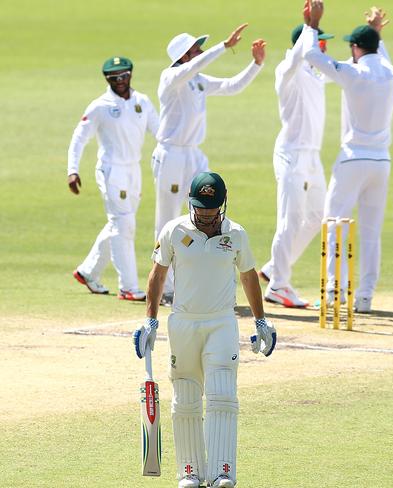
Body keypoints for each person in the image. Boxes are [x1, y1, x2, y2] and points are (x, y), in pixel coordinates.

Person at [133, 172, 277, 488]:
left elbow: (249, 277)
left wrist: (260, 320)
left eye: (212, 213)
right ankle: (190, 471)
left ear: (222, 206)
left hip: (222, 322)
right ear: (192, 205)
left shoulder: (236, 234)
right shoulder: (173, 231)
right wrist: (150, 320)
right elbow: (157, 276)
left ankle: (222, 471)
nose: (207, 219)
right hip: (183, 324)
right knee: (185, 397)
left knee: (223, 394)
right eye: (201, 211)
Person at [153, 25, 266, 305]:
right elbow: (192, 68)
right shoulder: (171, 76)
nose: (200, 52)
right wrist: (224, 47)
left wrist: (256, 64)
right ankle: (164, 289)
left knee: (201, 214)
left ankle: (195, 283)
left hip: (194, 155)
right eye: (195, 49)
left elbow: (231, 86)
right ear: (183, 55)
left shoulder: (197, 79)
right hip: (171, 154)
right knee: (167, 220)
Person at [302, 1, 393, 313]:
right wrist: (375, 32)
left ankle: (334, 292)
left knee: (334, 225)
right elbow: (377, 55)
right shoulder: (391, 72)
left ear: (356, 48)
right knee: (371, 230)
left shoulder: (352, 74)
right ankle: (366, 296)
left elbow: (311, 55)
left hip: (353, 159)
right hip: (381, 162)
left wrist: (313, 24)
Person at [258, 2, 334, 308]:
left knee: (318, 216)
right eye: (320, 40)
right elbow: (300, 53)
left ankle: (274, 267)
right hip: (290, 154)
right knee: (290, 220)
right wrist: (311, 25)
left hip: (312, 156)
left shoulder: (317, 73)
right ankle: (279, 285)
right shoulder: (287, 70)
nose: (323, 45)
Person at [68, 56, 159, 300]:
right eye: (114, 78)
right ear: (107, 79)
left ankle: (88, 272)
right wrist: (72, 170)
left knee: (119, 224)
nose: (120, 81)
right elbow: (79, 138)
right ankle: (128, 286)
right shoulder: (100, 106)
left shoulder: (142, 101)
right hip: (111, 170)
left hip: (134, 170)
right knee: (124, 225)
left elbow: (160, 132)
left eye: (124, 76)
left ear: (130, 75)